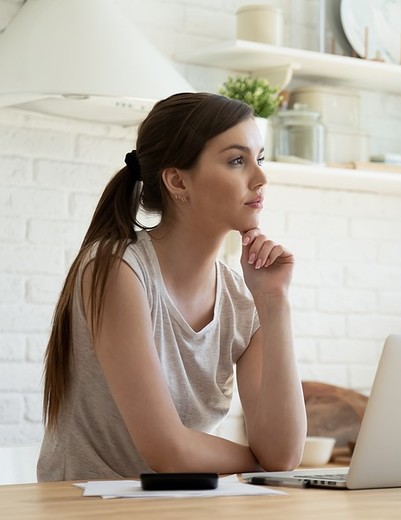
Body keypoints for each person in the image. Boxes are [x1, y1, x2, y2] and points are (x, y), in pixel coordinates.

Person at [37, 92, 307, 481]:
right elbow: (168, 451)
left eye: (259, 159)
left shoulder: (241, 299)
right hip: (89, 508)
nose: (261, 177)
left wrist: (274, 301)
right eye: (237, 160)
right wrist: (260, 461)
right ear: (177, 180)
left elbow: (285, 452)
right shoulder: (115, 269)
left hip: (179, 504)